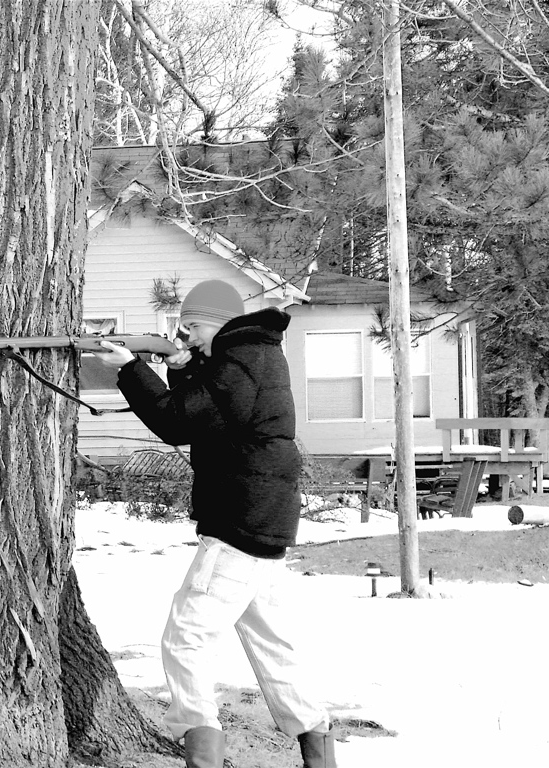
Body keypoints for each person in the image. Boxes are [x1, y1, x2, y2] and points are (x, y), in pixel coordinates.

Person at [95, 279, 337, 768]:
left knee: (186, 636)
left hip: (239, 522)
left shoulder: (239, 361)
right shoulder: (248, 356)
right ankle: (318, 749)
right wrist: (183, 369)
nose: (186, 338)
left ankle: (201, 752)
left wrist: (130, 370)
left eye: (193, 328)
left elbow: (179, 424)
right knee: (272, 645)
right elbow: (210, 416)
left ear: (219, 322)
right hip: (261, 515)